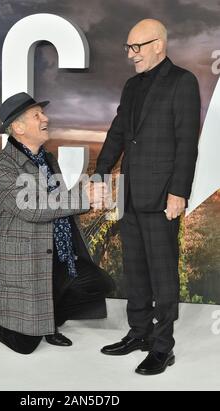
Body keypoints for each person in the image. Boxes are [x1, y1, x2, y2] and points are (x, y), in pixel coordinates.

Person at [0, 92, 114, 354]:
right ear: (18, 128)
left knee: (98, 284)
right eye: (37, 115)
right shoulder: (2, 165)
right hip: (26, 260)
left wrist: (89, 195)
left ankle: (47, 323)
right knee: (24, 345)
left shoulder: (47, 158)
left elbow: (55, 201)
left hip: (57, 255)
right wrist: (81, 197)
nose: (46, 118)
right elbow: (30, 207)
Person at [93, 19, 201, 375]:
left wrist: (178, 192)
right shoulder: (130, 86)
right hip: (130, 194)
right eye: (128, 48)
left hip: (162, 197)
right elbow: (119, 131)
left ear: (159, 45)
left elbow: (187, 144)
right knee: (135, 269)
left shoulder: (183, 82)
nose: (131, 54)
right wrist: (99, 172)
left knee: (162, 273)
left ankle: (162, 346)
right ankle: (138, 333)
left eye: (137, 47)